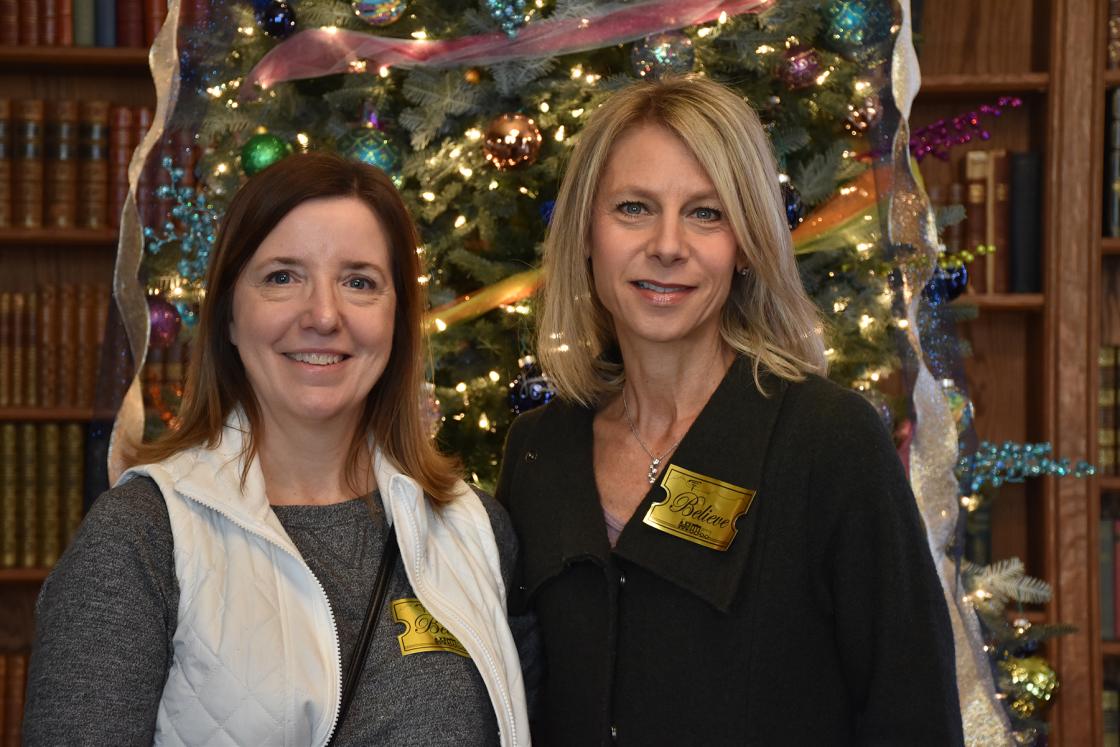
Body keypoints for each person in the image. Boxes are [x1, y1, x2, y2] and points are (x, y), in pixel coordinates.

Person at [496, 75, 963, 745]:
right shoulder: (538, 450)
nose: (667, 244)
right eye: (633, 207)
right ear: (585, 233)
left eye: (706, 213)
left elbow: (913, 716)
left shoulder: (829, 441)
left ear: (744, 244)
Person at [24, 152, 536, 746]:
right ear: (229, 318)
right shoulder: (138, 538)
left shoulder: (474, 529)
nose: (323, 315)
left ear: (397, 319)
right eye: (282, 277)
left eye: (359, 282)